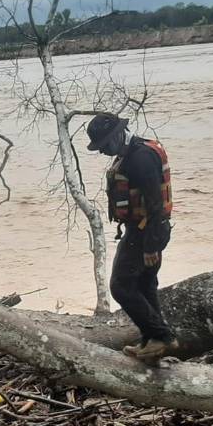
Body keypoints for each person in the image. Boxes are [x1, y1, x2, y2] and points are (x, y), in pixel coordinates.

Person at [85, 113, 177, 360]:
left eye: (104, 145)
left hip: (146, 231)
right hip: (146, 230)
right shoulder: (134, 152)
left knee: (120, 286)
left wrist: (151, 246)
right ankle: (152, 342)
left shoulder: (141, 159)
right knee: (145, 284)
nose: (103, 152)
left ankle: (161, 336)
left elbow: (155, 204)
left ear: (117, 135)